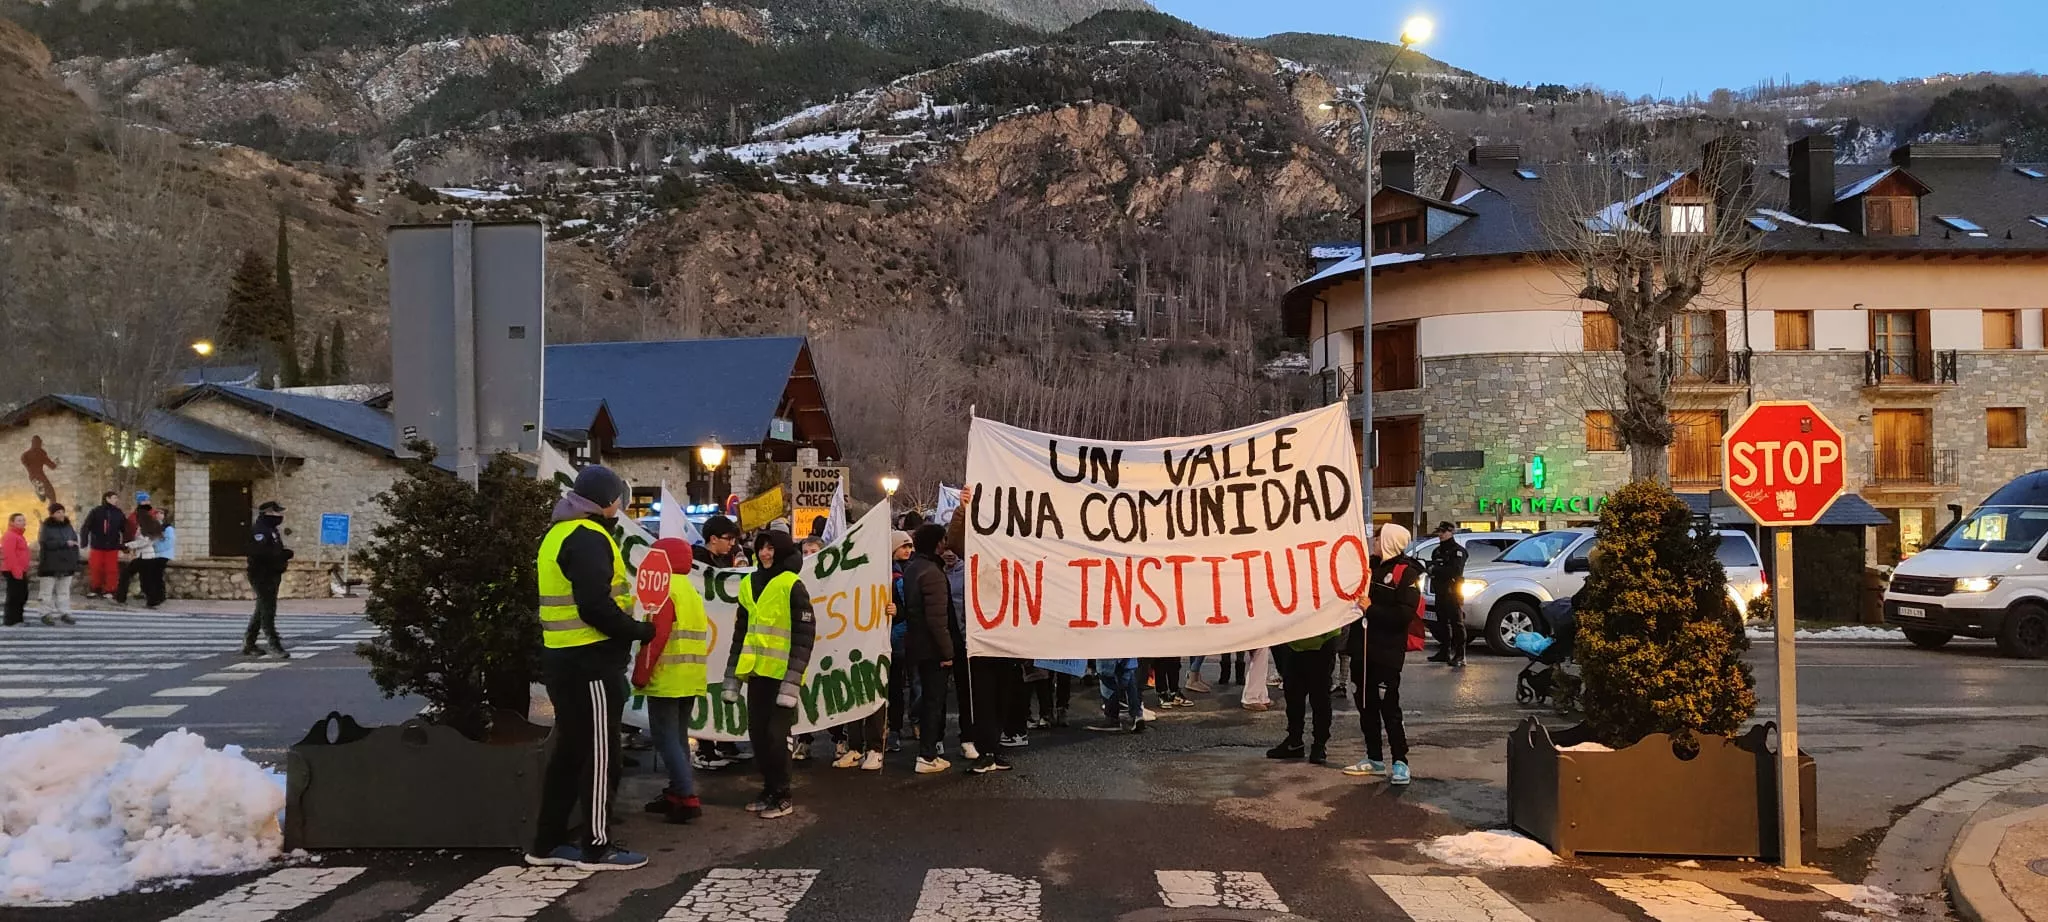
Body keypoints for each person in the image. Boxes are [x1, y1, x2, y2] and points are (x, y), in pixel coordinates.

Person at [528, 466, 655, 870]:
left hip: (564, 658)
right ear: (606, 500)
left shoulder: (558, 533)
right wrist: (639, 630)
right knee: (602, 755)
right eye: (619, 496)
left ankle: (546, 844)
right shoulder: (588, 536)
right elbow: (595, 605)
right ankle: (597, 846)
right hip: (591, 662)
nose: (621, 503)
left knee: (570, 752)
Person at [721, 530, 816, 818]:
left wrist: (792, 681)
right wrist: (732, 677)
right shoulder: (749, 584)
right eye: (761, 548)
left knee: (777, 738)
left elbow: (804, 636)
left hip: (781, 676)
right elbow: (741, 633)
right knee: (759, 737)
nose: (765, 553)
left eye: (771, 548)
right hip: (756, 674)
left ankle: (782, 795)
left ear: (783, 551)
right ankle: (768, 788)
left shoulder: (792, 584)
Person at [635, 537, 710, 825]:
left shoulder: (663, 591)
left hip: (666, 678)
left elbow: (657, 636)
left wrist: (641, 674)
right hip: (689, 677)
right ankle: (677, 793)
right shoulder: (690, 591)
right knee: (678, 737)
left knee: (665, 738)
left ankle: (687, 796)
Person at [1344, 524, 1425, 784]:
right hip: (1362, 650)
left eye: (1378, 537)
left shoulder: (1407, 573)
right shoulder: (1368, 567)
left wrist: (1371, 609)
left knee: (1389, 708)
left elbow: (1403, 615)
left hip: (1387, 652)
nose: (1374, 541)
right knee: (1365, 707)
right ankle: (1374, 758)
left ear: (1389, 541)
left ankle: (1401, 761)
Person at [900, 524, 957, 774]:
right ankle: (927, 755)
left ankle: (927, 751)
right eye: (943, 540)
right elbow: (937, 619)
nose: (946, 544)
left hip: (916, 644)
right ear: (936, 543)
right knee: (934, 700)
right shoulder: (933, 573)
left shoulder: (914, 568)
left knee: (926, 699)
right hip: (932, 648)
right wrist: (947, 653)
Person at [1268, 625, 1341, 764]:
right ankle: (1295, 741)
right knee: (1293, 695)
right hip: (1293, 640)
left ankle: (1319, 745)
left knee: (1319, 697)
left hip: (1323, 640)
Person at [243, 501, 294, 657]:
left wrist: (283, 554)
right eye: (277, 513)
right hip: (262, 575)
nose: (280, 516)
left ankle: (249, 643)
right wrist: (281, 555)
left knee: (261, 609)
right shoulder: (260, 531)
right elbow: (259, 553)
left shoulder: (271, 530)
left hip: (272, 573)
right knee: (268, 610)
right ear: (268, 513)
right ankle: (274, 645)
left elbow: (272, 550)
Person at [1426, 522, 1470, 667]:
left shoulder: (1458, 551)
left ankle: (1460, 655)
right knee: (1442, 623)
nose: (1440, 535)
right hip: (1440, 591)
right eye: (1439, 532)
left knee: (1457, 623)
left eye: (1443, 532)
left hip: (1453, 591)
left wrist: (1436, 569)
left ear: (1451, 532)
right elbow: (1432, 566)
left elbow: (1455, 571)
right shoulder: (1437, 551)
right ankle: (1444, 652)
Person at [36, 503, 80, 626]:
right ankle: (45, 613)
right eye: (58, 512)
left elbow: (74, 541)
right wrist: (64, 543)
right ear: (52, 514)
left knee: (64, 591)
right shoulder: (46, 527)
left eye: (62, 512)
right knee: (46, 591)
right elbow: (45, 543)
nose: (61, 514)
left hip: (66, 563)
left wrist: (74, 560)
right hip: (50, 563)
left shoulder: (68, 527)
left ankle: (64, 612)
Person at [80, 491, 126, 600]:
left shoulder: (118, 513)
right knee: (96, 568)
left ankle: (110, 590)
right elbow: (86, 527)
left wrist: (125, 545)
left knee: (111, 569)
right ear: (107, 498)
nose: (116, 500)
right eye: (114, 498)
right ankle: (95, 589)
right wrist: (84, 542)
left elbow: (125, 529)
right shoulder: (96, 511)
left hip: (112, 546)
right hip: (97, 545)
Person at [140, 510, 175, 608]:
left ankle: (155, 599)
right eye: (157, 513)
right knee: (155, 576)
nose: (158, 515)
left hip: (162, 554)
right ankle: (158, 597)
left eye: (161, 513)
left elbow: (169, 542)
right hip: (153, 554)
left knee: (155, 575)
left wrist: (156, 548)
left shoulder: (168, 528)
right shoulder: (153, 526)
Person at [3, 513, 30, 626]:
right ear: (12, 522)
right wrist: (16, 570)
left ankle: (18, 618)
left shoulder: (19, 535)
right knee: (15, 596)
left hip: (20, 569)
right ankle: (11, 620)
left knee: (22, 595)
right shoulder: (10, 536)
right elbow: (9, 555)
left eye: (23, 520)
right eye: (19, 520)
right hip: (13, 570)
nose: (22, 522)